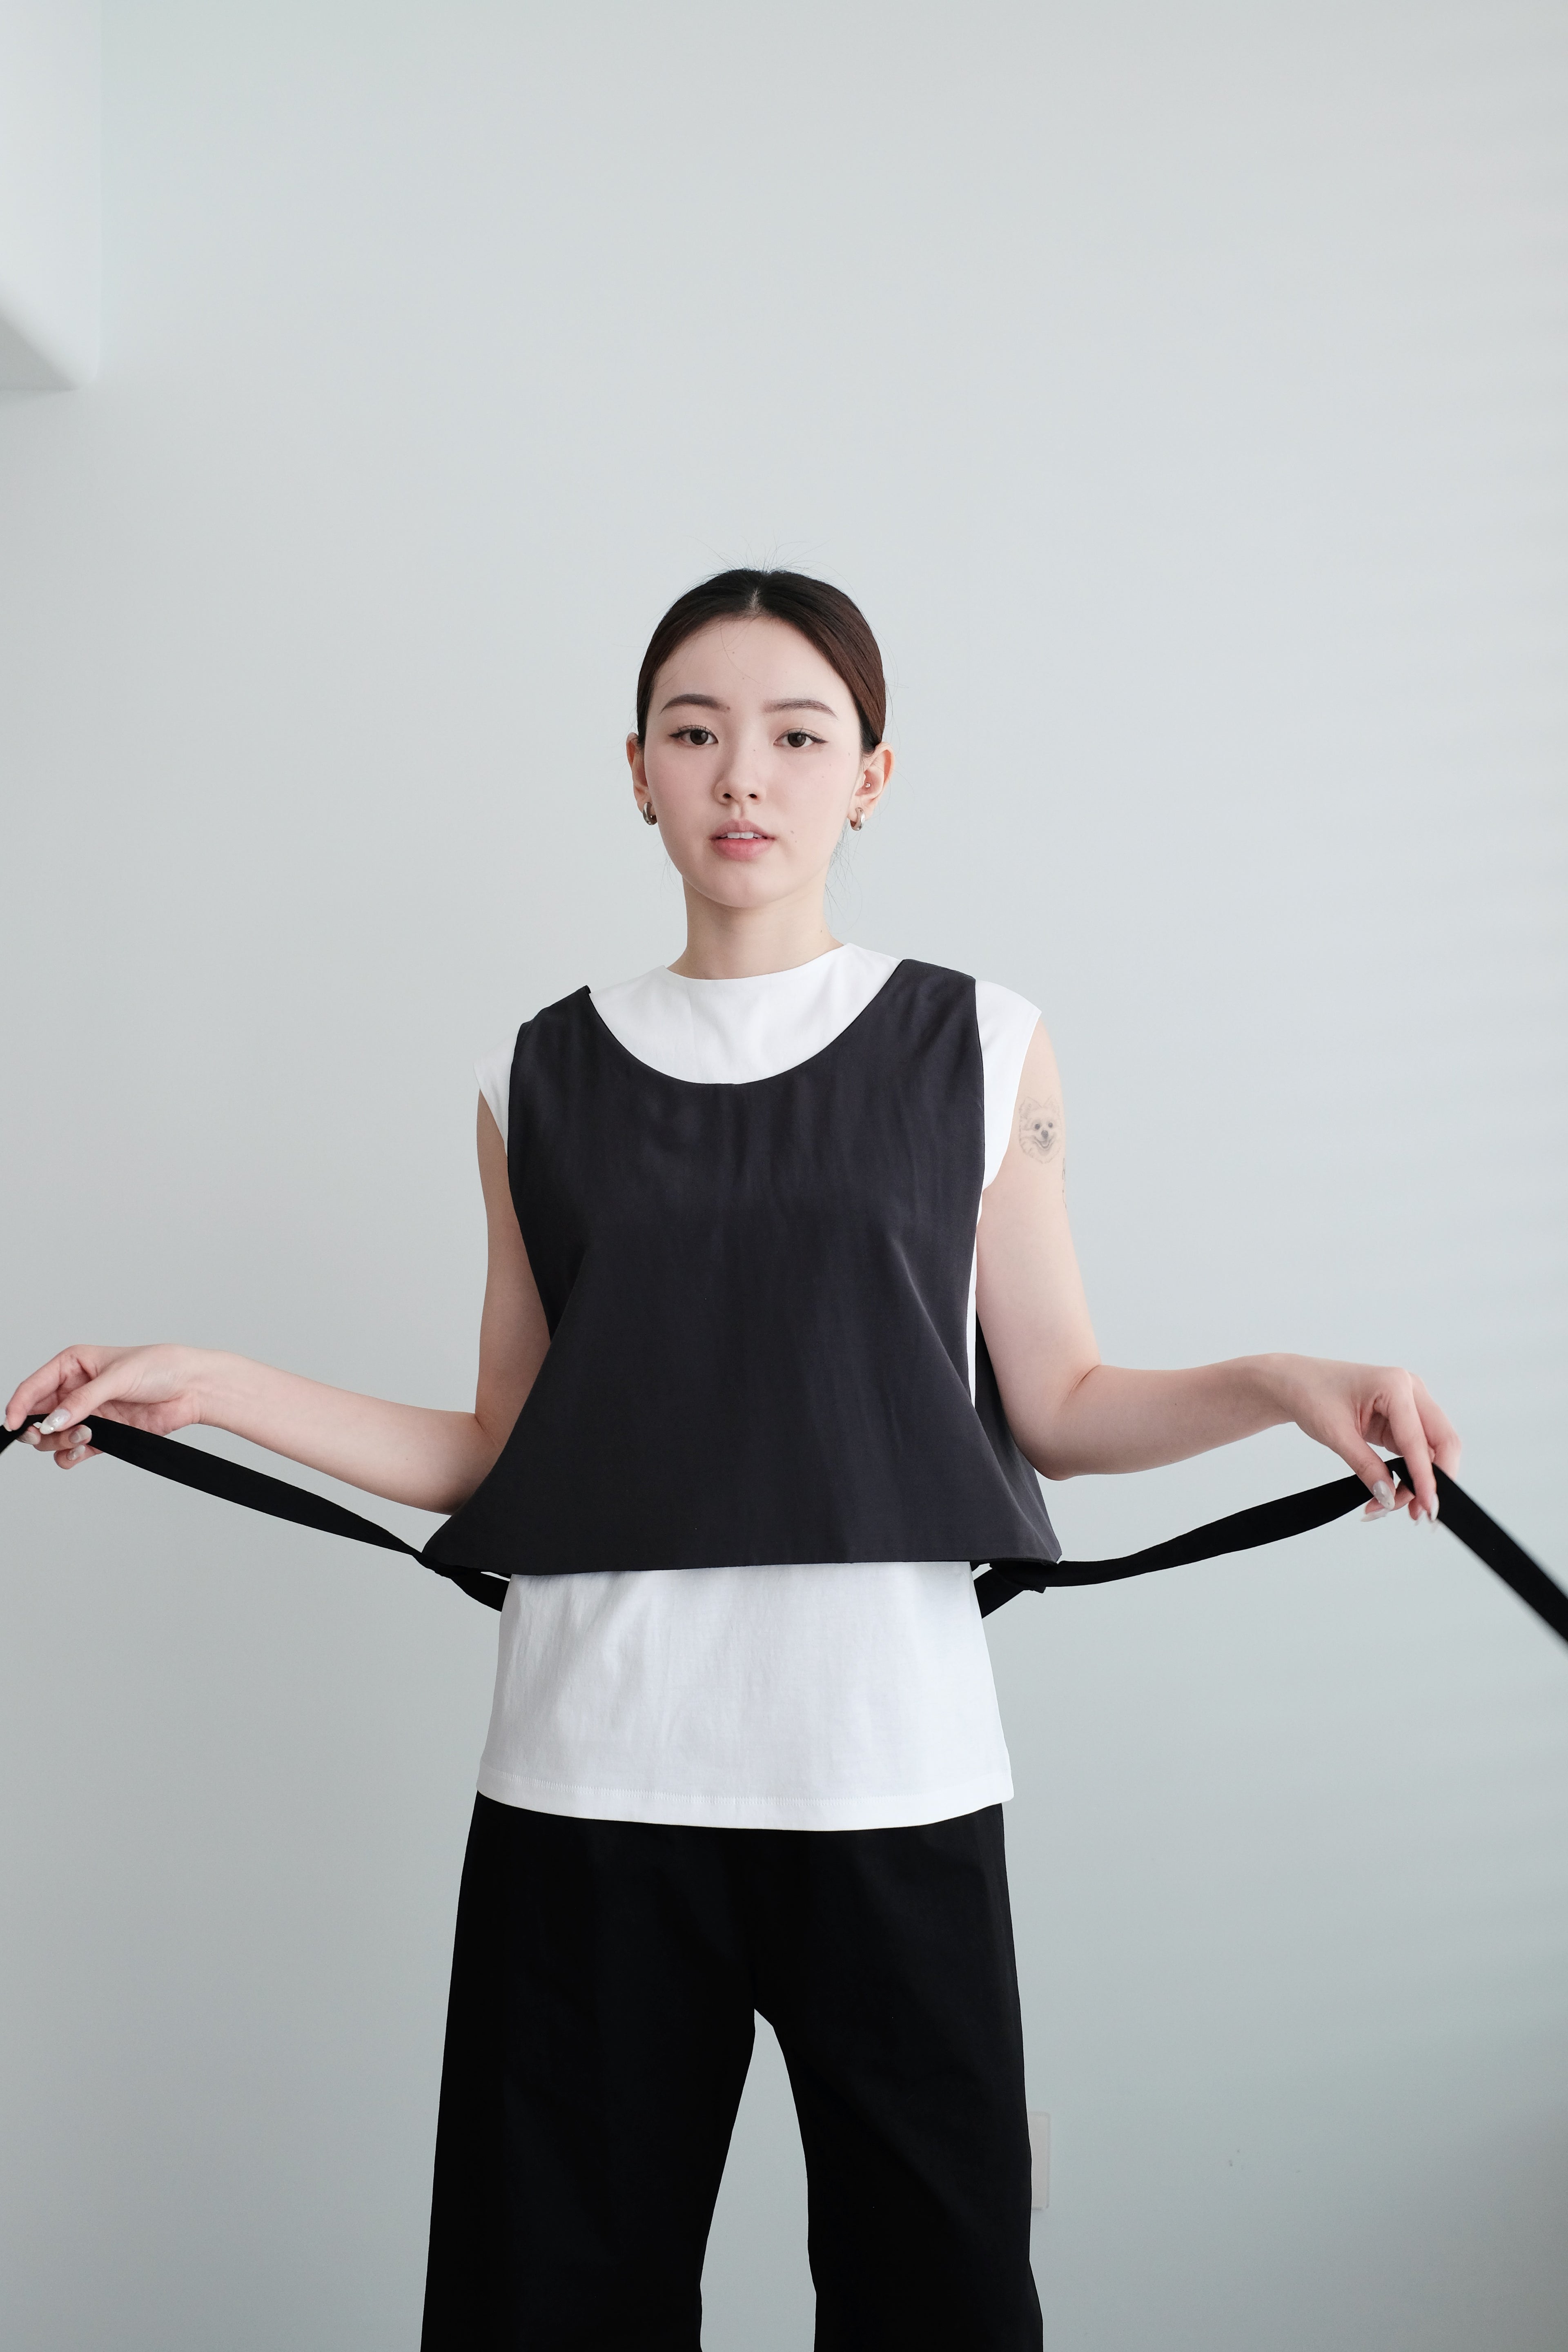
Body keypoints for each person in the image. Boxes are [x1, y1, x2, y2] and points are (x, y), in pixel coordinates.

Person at [5, 568, 1459, 2351]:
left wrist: (1285, 1382)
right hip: (586, 1791)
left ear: (873, 776)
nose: (744, 776)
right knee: (550, 2312)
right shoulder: (534, 1079)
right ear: (637, 770)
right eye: (695, 733)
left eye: (797, 736)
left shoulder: (981, 1044)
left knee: (939, 2308)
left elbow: (1061, 1404)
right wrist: (212, 1382)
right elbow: (503, 1449)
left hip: (890, 1784)